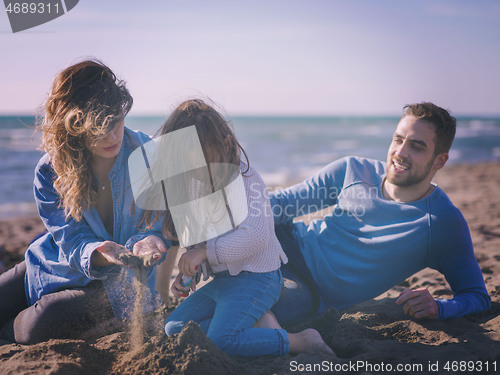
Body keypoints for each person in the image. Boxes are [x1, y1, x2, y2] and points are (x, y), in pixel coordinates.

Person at [268, 102, 491, 327]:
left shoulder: (441, 222)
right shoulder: (352, 170)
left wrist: (440, 307)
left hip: (308, 288)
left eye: (416, 146)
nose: (400, 152)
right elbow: (280, 203)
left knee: (261, 306)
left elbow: (477, 296)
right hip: (283, 240)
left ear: (439, 160)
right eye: (398, 139)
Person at [146, 99, 333, 356]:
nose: (197, 173)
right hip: (223, 282)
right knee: (174, 327)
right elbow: (200, 244)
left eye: (204, 163)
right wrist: (189, 272)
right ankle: (257, 325)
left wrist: (205, 253)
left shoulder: (246, 179)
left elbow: (255, 236)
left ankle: (299, 341)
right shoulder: (193, 186)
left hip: (258, 278)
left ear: (225, 145)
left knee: (221, 342)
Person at [0, 60, 169, 344]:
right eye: (99, 128)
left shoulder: (150, 157)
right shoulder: (50, 170)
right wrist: (100, 252)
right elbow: (72, 240)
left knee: (37, 326)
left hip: (117, 286)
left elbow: (156, 226)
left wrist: (150, 241)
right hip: (50, 262)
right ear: (73, 127)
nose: (113, 135)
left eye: (116, 120)